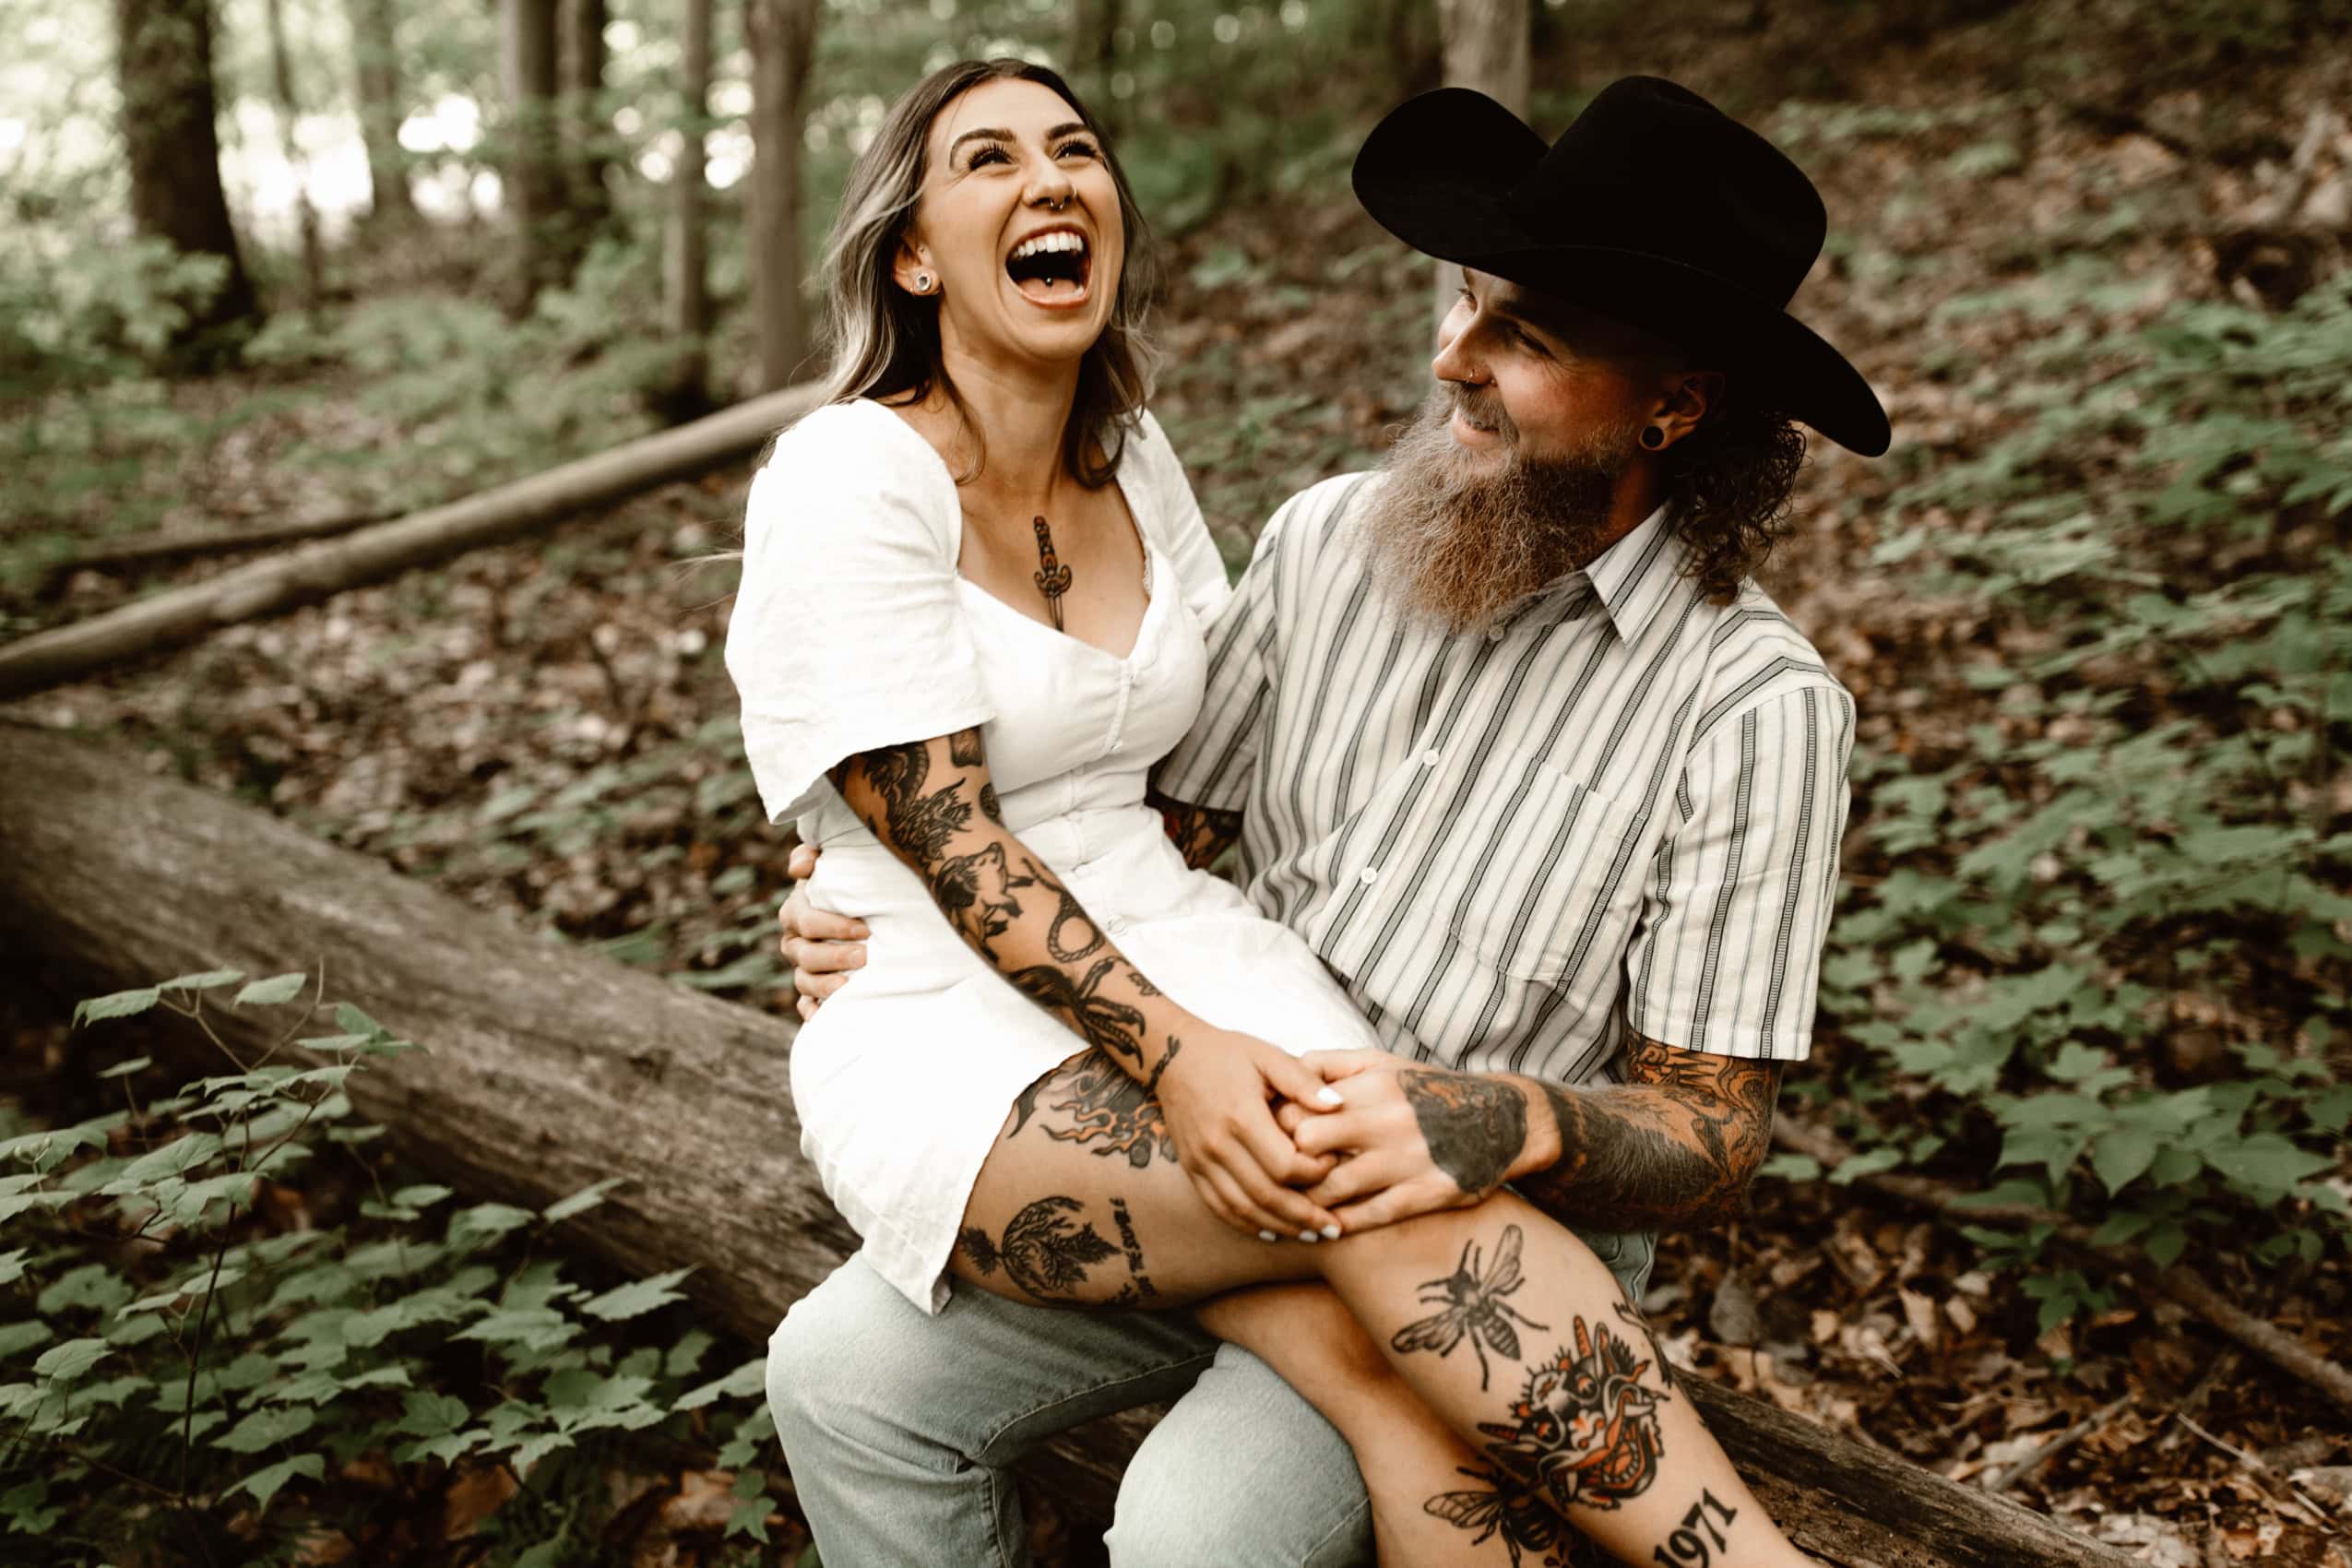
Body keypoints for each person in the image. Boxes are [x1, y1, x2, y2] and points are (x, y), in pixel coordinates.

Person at [745, 61, 1883, 1567]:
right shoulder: (1333, 540)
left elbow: (1710, 1136)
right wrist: (866, 892)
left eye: (1521, 336)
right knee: (836, 1377)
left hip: (1499, 1201)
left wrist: (1501, 1119)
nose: (1452, 359)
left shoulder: (1753, 710)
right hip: (1220, 1098)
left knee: (1191, 1534)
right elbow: (1135, 821)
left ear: (1674, 404)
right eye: (1463, 301)